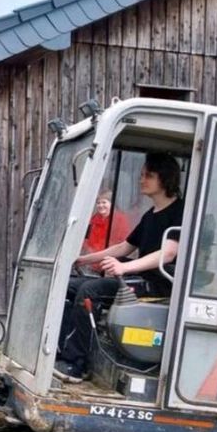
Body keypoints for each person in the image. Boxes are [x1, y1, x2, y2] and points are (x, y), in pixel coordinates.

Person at [56, 152, 184, 379]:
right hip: (141, 276)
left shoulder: (179, 212)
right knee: (70, 286)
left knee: (90, 291)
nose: (141, 180)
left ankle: (77, 363)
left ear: (164, 179)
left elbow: (169, 253)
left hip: (159, 284)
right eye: (142, 175)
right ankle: (60, 351)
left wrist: (125, 268)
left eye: (148, 175)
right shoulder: (151, 215)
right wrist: (85, 259)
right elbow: (124, 247)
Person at [82, 189, 131, 269]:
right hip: (91, 263)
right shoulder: (92, 220)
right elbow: (85, 240)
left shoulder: (120, 219)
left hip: (110, 263)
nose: (101, 205)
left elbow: (122, 243)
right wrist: (88, 251)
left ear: (112, 204)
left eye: (104, 202)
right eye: (98, 203)